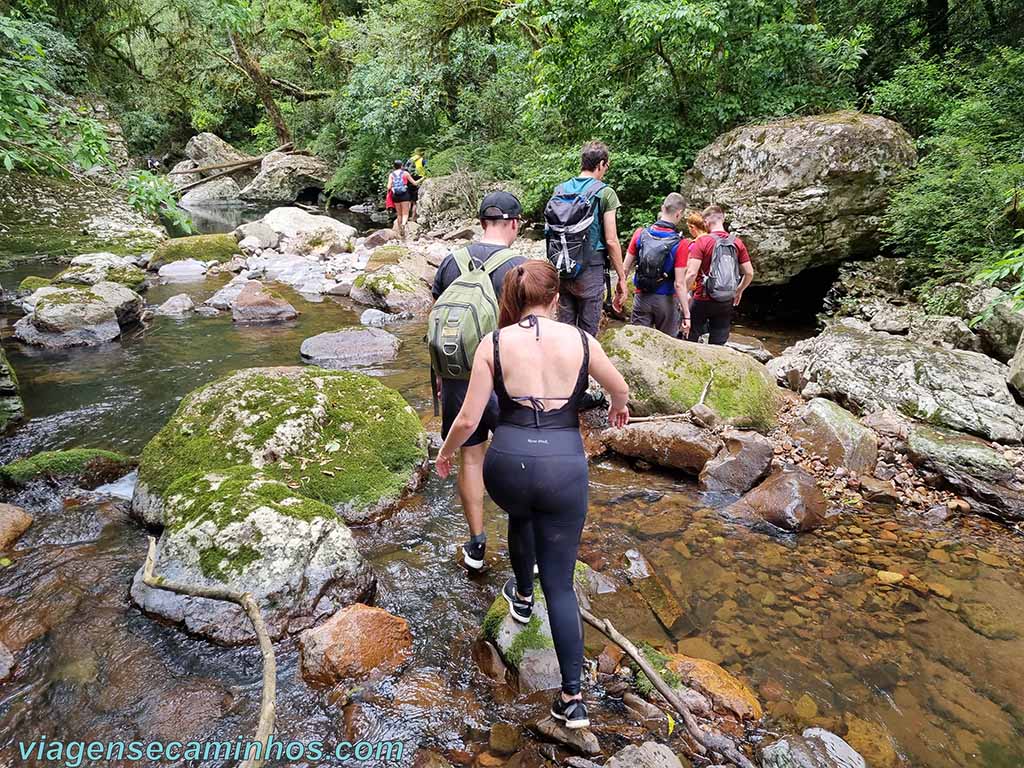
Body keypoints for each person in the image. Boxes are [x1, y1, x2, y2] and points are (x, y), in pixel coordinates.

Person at [435, 260, 630, 730]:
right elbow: (619, 388)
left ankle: (521, 596)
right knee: (560, 585)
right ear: (555, 298)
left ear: (514, 300)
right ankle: (572, 699)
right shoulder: (582, 340)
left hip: (509, 465)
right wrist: (620, 409)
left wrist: (445, 454)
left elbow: (466, 419)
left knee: (520, 514)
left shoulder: (494, 342)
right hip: (564, 466)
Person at [430, 191, 528, 573]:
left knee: (470, 457)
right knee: (519, 456)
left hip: (458, 378)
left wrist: (440, 376)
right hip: (507, 380)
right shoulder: (521, 267)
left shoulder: (451, 262)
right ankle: (525, 540)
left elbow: (438, 320)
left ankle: (476, 543)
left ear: (481, 220)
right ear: (515, 224)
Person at [551, 141, 627, 337]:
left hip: (563, 266)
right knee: (588, 333)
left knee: (565, 330)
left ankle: (565, 367)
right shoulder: (604, 192)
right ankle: (585, 367)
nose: (605, 170)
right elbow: (611, 240)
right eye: (606, 166)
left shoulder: (560, 189)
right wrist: (622, 277)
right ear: (601, 164)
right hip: (590, 269)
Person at [681, 204, 753, 344]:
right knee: (719, 343)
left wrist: (682, 296)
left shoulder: (702, 241)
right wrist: (739, 290)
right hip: (726, 299)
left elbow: (691, 274)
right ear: (723, 219)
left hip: (702, 298)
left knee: (690, 339)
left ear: (706, 222)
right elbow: (749, 273)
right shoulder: (737, 243)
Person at [621, 192, 690, 336]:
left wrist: (618, 293)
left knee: (637, 345)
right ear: (679, 214)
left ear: (662, 208)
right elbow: (679, 283)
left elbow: (625, 267)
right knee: (666, 347)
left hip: (641, 297)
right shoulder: (681, 244)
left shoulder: (640, 233)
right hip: (666, 302)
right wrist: (686, 314)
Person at [386, 160, 420, 238]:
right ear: (401, 166)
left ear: (394, 167)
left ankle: (399, 230)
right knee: (405, 213)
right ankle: (404, 225)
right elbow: (414, 183)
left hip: (395, 195)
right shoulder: (405, 173)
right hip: (405, 195)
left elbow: (388, 187)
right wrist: (422, 179)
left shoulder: (391, 174)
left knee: (399, 214)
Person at [406, 149, 426, 221]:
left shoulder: (410, 160)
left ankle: (406, 217)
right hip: (419, 178)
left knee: (409, 201)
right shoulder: (422, 160)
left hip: (409, 179)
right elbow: (427, 168)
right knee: (415, 201)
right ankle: (413, 218)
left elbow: (405, 169)